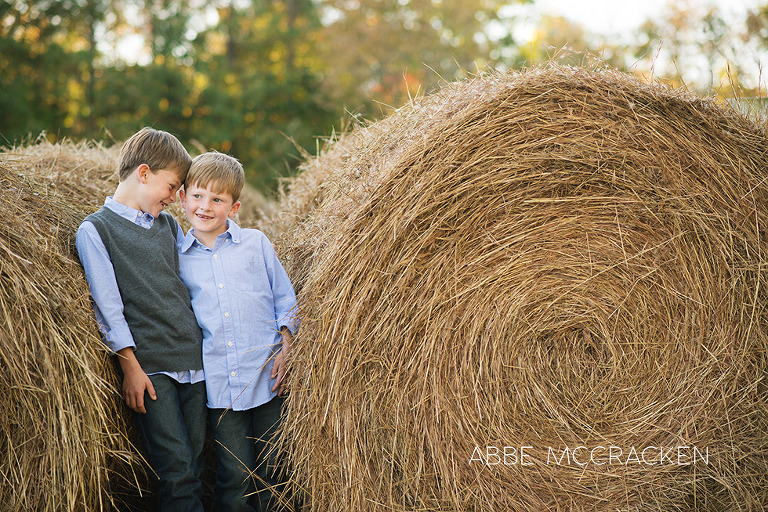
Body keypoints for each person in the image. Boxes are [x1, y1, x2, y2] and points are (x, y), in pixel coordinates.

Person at [75, 127, 206, 512]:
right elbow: (108, 307)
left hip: (193, 361)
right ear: (144, 173)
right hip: (153, 369)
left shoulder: (167, 226)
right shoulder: (96, 230)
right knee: (177, 471)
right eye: (172, 186)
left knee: (197, 464)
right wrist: (130, 367)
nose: (175, 198)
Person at [178, 151, 297, 512]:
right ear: (183, 198)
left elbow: (285, 299)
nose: (205, 206)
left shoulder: (255, 244)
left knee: (275, 468)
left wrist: (287, 347)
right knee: (235, 474)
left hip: (267, 376)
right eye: (198, 195)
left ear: (234, 207)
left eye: (217, 199)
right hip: (220, 386)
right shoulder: (178, 257)